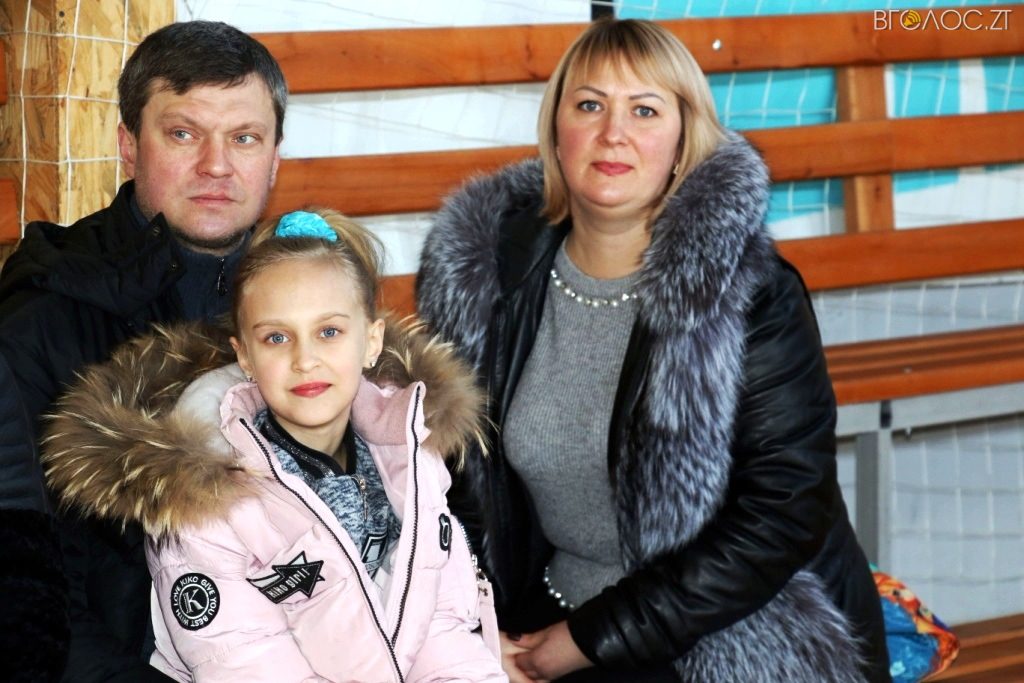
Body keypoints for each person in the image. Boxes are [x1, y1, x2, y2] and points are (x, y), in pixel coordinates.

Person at [416, 18, 890, 683]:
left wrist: (588, 639)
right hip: (537, 614)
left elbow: (782, 511)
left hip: (725, 628)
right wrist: (471, 628)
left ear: (682, 142)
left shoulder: (751, 293)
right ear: (556, 129)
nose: (614, 133)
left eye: (644, 110)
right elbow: (454, 491)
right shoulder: (486, 279)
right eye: (590, 105)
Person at [43, 208, 508, 682]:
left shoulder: (412, 458)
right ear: (244, 356)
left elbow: (442, 628)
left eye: (329, 332)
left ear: (372, 342)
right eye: (277, 337)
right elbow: (245, 661)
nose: (305, 359)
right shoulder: (211, 500)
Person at [0, 21, 285, 682]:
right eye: (183, 134)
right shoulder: (40, 321)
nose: (217, 165)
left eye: (244, 138)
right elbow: (30, 602)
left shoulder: (313, 306)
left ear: (275, 157)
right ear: (128, 145)